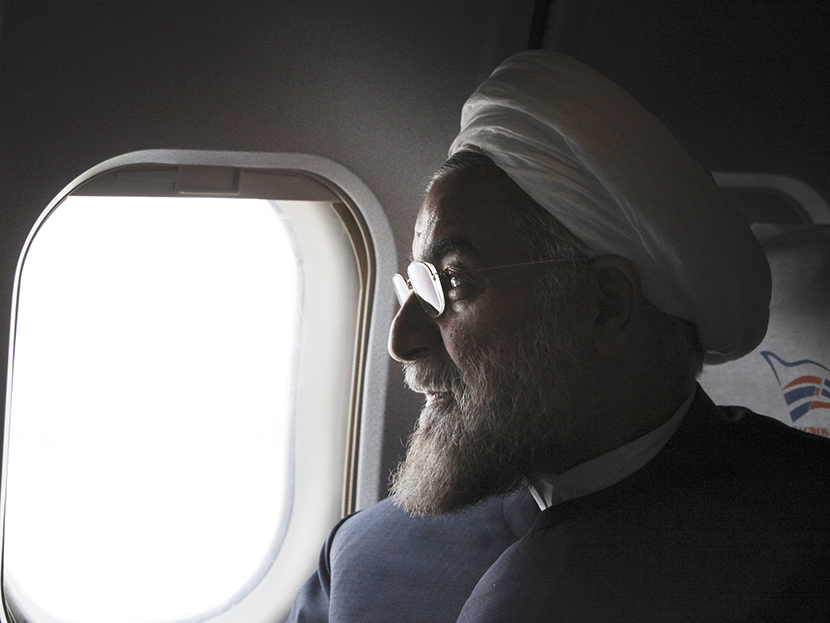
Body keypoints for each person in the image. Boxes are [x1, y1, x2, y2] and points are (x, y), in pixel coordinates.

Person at [288, 51, 830, 622]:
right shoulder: (360, 562)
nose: (401, 340)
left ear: (606, 306)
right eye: (414, 285)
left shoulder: (807, 546)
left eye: (452, 282)